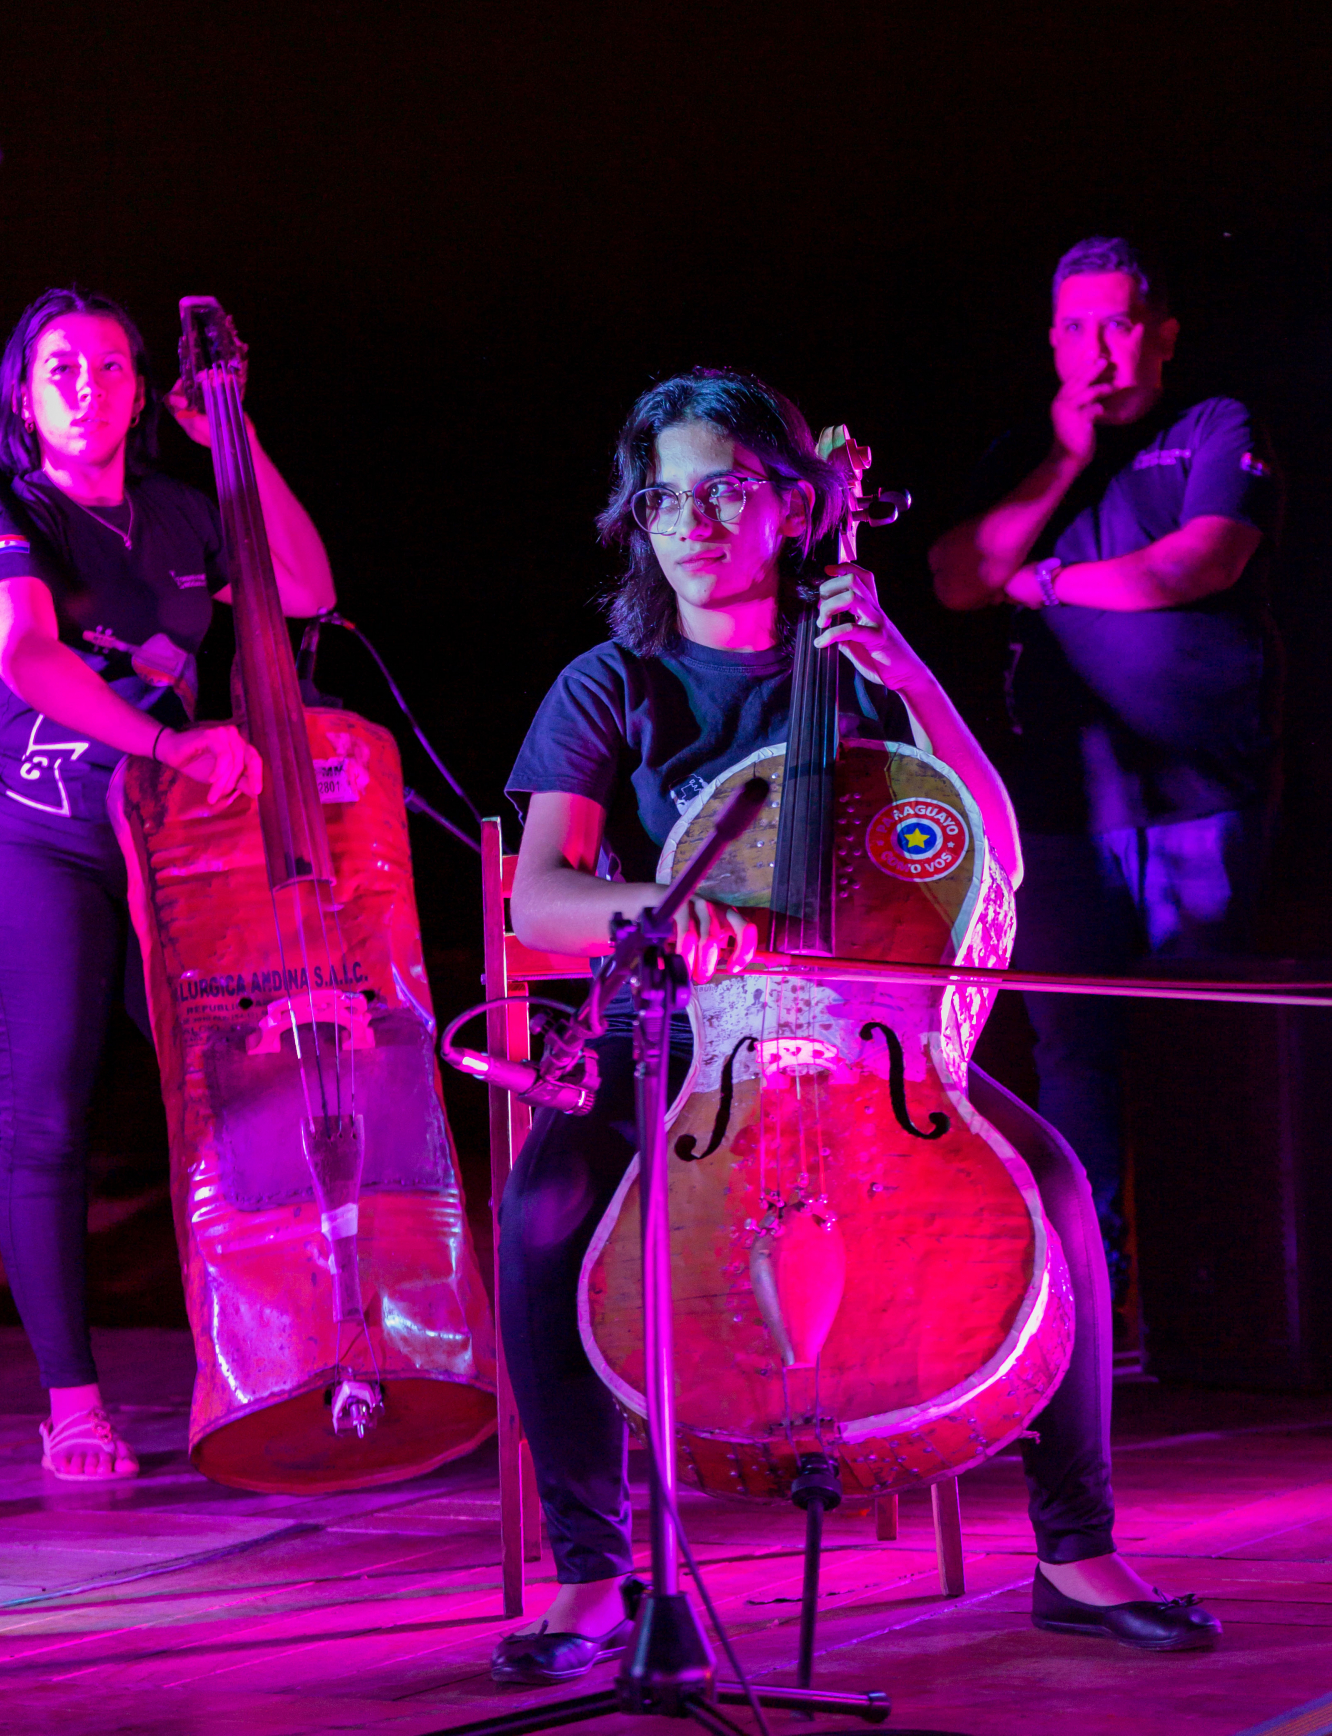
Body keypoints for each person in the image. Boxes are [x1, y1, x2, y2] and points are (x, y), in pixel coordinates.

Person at [492, 366, 1218, 1684]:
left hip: (872, 1031)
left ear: (795, 502)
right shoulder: (612, 684)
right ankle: (592, 1578)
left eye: (724, 490)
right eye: (664, 500)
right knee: (546, 1205)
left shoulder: (861, 671)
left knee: (1049, 1188)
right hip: (681, 1033)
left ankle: (1074, 1554)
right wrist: (664, 903)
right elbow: (540, 896)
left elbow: (986, 857)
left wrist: (910, 680)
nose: (692, 522)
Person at [0, 287, 335, 1481]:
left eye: (108, 366)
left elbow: (303, 590)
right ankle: (75, 1402)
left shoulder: (188, 512)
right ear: (26, 395)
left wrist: (235, 442)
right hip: (42, 836)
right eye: (61, 370)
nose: (88, 386)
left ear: (142, 388)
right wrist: (165, 740)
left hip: (177, 844)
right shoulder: (16, 509)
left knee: (237, 1095)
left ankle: (268, 1360)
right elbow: (30, 655)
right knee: (44, 1116)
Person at [929, 237, 1281, 1301]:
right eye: (1075, 326)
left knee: (1201, 1043)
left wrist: (1041, 582)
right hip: (1061, 812)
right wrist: (1065, 459)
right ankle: (1091, 1287)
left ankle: (1219, 1295)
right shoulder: (1024, 453)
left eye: (1118, 322)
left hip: (1198, 800)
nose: (1097, 346)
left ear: (1160, 334)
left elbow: (1197, 561)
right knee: (1071, 1053)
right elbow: (955, 578)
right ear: (1051, 338)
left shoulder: (1214, 426)